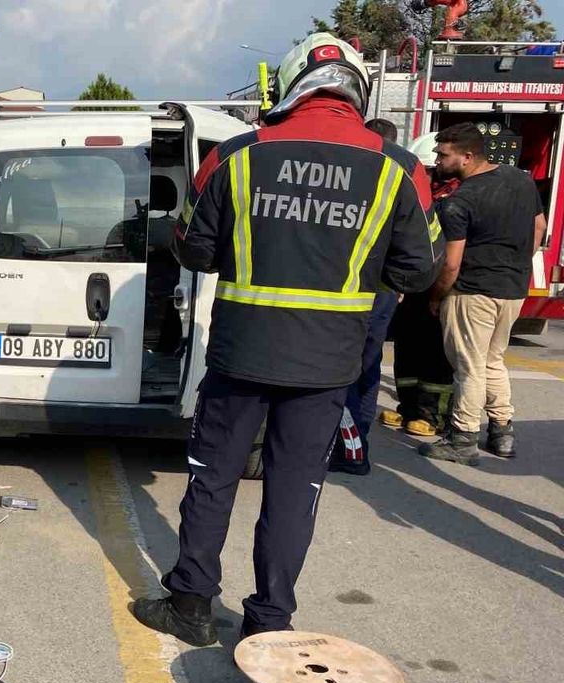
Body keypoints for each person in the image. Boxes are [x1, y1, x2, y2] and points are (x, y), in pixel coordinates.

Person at [130, 33, 442, 646]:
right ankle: (269, 624)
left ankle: (191, 605)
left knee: (212, 479)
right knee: (294, 492)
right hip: (328, 366)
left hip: (240, 356)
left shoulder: (236, 157)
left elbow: (193, 248)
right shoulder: (400, 169)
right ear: (357, 89)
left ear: (294, 83)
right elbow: (419, 270)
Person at [420, 122, 547, 463]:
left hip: (472, 292)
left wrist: (436, 296)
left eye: (443, 153)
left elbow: (451, 263)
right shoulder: (521, 180)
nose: (436, 158)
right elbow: (540, 226)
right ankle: (502, 432)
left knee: (469, 367)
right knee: (494, 361)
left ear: (468, 156)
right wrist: (518, 265)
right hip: (513, 290)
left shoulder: (459, 201)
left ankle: (462, 438)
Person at [327, 118, 402, 475]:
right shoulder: (403, 176)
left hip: (358, 292)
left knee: (345, 373)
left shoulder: (365, 176)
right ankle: (358, 443)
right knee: (368, 371)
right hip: (385, 293)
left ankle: (351, 452)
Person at [381, 133, 458, 438]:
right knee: (407, 350)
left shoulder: (451, 200)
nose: (425, 175)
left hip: (437, 289)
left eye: (430, 169)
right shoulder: (417, 197)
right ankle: (408, 408)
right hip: (412, 287)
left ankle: (433, 415)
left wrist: (440, 293)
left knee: (435, 356)